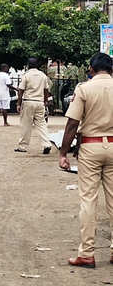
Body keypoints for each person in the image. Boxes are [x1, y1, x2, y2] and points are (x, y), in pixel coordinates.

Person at [59, 53, 113, 269]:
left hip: (90, 147)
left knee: (88, 200)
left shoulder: (84, 89)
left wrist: (63, 152)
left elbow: (72, 123)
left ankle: (87, 254)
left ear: (91, 69)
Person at [14, 58, 52, 154]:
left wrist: (18, 103)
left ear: (28, 65)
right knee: (41, 124)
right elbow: (46, 90)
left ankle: (22, 146)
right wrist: (46, 101)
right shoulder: (43, 75)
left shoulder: (26, 75)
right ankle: (46, 144)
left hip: (28, 102)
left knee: (26, 124)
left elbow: (21, 90)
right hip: (40, 102)